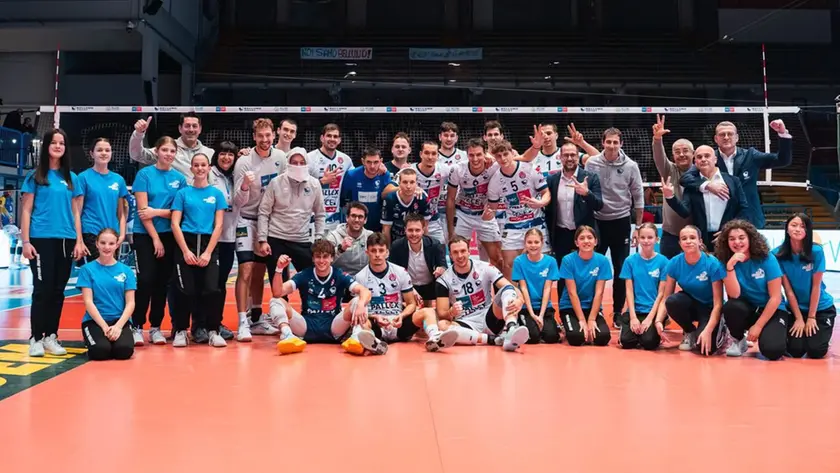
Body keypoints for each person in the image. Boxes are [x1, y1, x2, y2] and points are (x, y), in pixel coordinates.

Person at [21, 128, 87, 357]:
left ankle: (51, 336)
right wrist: (26, 241)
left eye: (62, 143)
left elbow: (76, 213)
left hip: (66, 240)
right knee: (42, 290)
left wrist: (79, 240)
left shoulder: (72, 178)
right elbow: (27, 210)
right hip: (41, 239)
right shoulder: (35, 176)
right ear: (46, 146)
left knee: (58, 291)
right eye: (54, 143)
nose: (58, 146)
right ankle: (36, 338)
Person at [268, 239, 379, 355]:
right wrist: (279, 269)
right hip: (306, 326)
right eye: (318, 256)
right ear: (313, 259)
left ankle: (356, 337)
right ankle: (287, 335)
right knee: (275, 301)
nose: (321, 261)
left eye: (325, 257)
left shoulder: (339, 274)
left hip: (334, 327)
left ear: (331, 258)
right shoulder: (305, 274)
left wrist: (361, 304)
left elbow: (365, 291)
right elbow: (277, 292)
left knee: (358, 300)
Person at [680, 119, 792, 229]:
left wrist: (782, 133)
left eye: (730, 134)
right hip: (720, 222)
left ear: (737, 137)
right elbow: (685, 178)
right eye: (722, 134)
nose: (726, 137)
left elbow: (782, 160)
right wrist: (708, 185)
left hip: (750, 220)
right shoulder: (709, 158)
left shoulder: (751, 156)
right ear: (716, 139)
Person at [232, 118, 287, 341]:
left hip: (269, 222)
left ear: (274, 135)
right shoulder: (244, 162)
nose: (265, 140)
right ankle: (242, 320)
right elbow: (237, 200)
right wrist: (245, 185)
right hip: (246, 219)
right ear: (254, 137)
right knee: (245, 269)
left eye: (268, 135)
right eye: (260, 136)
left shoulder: (281, 158)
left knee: (259, 271)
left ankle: (256, 317)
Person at [355, 233, 458, 352]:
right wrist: (375, 317)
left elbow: (411, 304)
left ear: (387, 253)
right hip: (376, 324)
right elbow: (357, 308)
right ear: (367, 252)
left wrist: (401, 316)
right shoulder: (360, 277)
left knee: (428, 311)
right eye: (373, 251)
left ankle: (435, 338)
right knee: (362, 320)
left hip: (398, 324)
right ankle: (373, 342)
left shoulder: (400, 272)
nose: (377, 255)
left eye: (381, 250)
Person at [130, 136, 187, 347]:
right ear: (157, 151)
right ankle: (137, 326)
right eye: (165, 150)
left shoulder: (179, 179)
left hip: (169, 235)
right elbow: (143, 212)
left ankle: (155, 327)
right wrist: (155, 238)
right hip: (145, 235)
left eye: (172, 151)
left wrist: (157, 211)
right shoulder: (144, 175)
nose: (169, 154)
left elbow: (176, 212)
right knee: (145, 280)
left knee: (162, 283)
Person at [583, 128, 644, 324]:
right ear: (602, 143)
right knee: (593, 267)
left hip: (621, 221)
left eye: (615, 142)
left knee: (620, 268)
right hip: (597, 222)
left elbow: (638, 196)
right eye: (608, 142)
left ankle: (618, 311)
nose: (611, 145)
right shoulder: (592, 163)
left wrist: (639, 226)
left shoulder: (631, 166)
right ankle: (595, 309)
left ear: (621, 144)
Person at [170, 153, 227, 348]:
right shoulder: (183, 194)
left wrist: (208, 253)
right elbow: (175, 223)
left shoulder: (217, 194)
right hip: (187, 243)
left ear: (209, 168)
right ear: (191, 168)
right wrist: (185, 251)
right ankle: (180, 330)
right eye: (196, 165)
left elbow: (218, 225)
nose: (200, 168)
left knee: (211, 289)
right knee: (186, 291)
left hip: (208, 246)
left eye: (203, 165)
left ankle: (213, 330)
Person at [435, 236, 529, 351]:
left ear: (469, 251)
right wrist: (451, 312)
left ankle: (511, 327)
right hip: (466, 324)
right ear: (450, 255)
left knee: (508, 288)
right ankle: (493, 339)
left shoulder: (484, 267)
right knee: (442, 326)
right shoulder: (443, 280)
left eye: (463, 251)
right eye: (455, 252)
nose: (460, 256)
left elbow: (510, 287)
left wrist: (520, 299)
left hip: (489, 318)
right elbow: (441, 313)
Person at [717, 219, 789, 360]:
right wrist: (730, 266)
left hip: (772, 309)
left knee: (772, 351)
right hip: (747, 309)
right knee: (731, 306)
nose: (737, 242)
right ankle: (738, 340)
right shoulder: (725, 262)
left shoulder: (767, 259)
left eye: (741, 237)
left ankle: (778, 332)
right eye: (732, 239)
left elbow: (775, 297)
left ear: (751, 238)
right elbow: (734, 294)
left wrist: (758, 326)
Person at [654, 226, 727, 356]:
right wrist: (659, 321)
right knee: (673, 301)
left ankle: (722, 328)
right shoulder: (674, 263)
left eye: (692, 238)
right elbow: (666, 298)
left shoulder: (712, 263)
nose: (688, 241)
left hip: (710, 308)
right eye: (684, 238)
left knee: (706, 350)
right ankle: (689, 331)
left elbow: (718, 303)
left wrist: (708, 330)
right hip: (691, 304)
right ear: (680, 243)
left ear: (700, 241)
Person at [662, 145, 749, 251]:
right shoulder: (692, 185)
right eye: (699, 157)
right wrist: (670, 196)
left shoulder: (733, 181)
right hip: (701, 241)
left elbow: (743, 208)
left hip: (727, 238)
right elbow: (684, 212)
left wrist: (729, 229)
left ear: (715, 159)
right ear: (695, 162)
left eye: (707, 156)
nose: (703, 159)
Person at [485, 140, 550, 279]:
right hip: (512, 225)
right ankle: (513, 298)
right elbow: (493, 209)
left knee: (540, 265)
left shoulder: (528, 169)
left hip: (535, 222)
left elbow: (546, 193)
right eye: (499, 156)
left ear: (512, 153)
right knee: (509, 265)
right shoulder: (495, 181)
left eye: (505, 154)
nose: (503, 159)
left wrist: (540, 203)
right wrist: (488, 215)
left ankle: (541, 299)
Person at [774, 213, 835, 359]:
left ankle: (823, 334)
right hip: (796, 308)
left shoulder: (816, 252)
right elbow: (787, 290)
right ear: (787, 229)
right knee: (795, 351)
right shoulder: (777, 254)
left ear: (808, 231)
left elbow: (816, 287)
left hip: (820, 308)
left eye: (803, 226)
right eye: (794, 225)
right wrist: (799, 318)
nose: (798, 229)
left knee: (816, 351)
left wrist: (811, 317)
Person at [258, 147, 324, 278]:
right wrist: (262, 240)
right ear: (288, 163)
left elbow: (320, 214)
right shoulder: (276, 182)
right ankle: (280, 300)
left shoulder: (315, 184)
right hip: (276, 238)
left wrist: (319, 238)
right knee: (278, 284)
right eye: (294, 162)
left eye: (301, 162)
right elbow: (264, 212)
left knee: (310, 281)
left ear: (307, 164)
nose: (298, 166)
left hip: (302, 239)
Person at [77, 228, 136, 361]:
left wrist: (118, 327)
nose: (106, 247)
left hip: (119, 320)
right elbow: (88, 302)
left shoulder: (126, 271)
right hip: (95, 321)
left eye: (111, 243)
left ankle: (116, 340)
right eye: (103, 243)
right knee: (100, 352)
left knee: (124, 351)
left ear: (116, 245)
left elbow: (130, 302)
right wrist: (104, 327)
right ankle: (94, 340)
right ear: (97, 244)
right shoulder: (87, 270)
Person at [445, 138, 504, 269]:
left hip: (485, 215)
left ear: (485, 154)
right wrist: (450, 230)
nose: (475, 159)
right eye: (471, 155)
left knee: (498, 258)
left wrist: (493, 157)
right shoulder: (457, 169)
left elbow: (514, 158)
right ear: (467, 155)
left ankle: (501, 289)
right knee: (458, 257)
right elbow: (450, 199)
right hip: (463, 214)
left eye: (479, 154)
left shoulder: (494, 166)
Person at [545, 142, 602, 271]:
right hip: (561, 235)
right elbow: (548, 209)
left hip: (584, 234)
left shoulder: (590, 178)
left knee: (586, 274)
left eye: (573, 155)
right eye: (566, 155)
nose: (569, 158)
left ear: (578, 156)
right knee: (562, 276)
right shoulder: (552, 180)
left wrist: (587, 194)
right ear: (560, 157)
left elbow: (599, 205)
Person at [557, 225, 612, 347]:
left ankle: (590, 320)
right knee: (577, 338)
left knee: (602, 338)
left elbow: (599, 293)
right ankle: (566, 326)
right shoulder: (568, 260)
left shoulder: (602, 261)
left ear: (595, 241)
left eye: (589, 238)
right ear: (576, 243)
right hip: (570, 307)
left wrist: (591, 319)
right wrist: (582, 320)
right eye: (582, 238)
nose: (586, 241)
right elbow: (572, 293)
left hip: (591, 307)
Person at [618, 222, 668, 350]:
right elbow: (629, 291)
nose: (646, 241)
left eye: (650, 237)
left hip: (652, 311)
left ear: (657, 239)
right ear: (638, 239)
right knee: (627, 342)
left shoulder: (663, 262)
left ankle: (659, 323)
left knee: (649, 343)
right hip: (636, 310)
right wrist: (633, 317)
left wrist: (650, 319)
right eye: (643, 237)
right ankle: (627, 322)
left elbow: (661, 293)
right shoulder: (630, 261)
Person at [77, 137, 128, 262]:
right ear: (91, 153)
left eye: (107, 150)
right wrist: (79, 239)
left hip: (112, 235)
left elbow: (121, 213)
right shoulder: (83, 178)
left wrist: (121, 235)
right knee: (96, 273)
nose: (104, 153)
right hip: (91, 233)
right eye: (99, 150)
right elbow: (77, 212)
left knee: (110, 273)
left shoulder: (118, 180)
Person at [209, 141, 239, 341]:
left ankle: (215, 323)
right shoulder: (209, 173)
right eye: (223, 153)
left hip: (229, 237)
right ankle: (200, 324)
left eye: (230, 154)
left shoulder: (236, 175)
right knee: (207, 284)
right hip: (209, 237)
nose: (226, 157)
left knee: (220, 284)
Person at [651, 115, 693, 258]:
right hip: (671, 235)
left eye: (685, 150)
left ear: (693, 154)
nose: (681, 154)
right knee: (668, 275)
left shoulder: (701, 172)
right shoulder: (669, 170)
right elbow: (659, 157)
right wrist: (657, 139)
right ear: (673, 156)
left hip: (694, 233)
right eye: (677, 152)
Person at [130, 112, 214, 181]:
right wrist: (138, 133)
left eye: (194, 126)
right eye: (187, 126)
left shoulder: (210, 153)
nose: (191, 130)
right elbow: (137, 155)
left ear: (200, 129)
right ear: (180, 128)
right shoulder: (168, 149)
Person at [512, 229, 561, 344]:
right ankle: (520, 322)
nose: (533, 245)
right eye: (529, 242)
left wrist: (541, 315)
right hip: (526, 307)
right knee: (532, 338)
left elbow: (547, 289)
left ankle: (552, 325)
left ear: (542, 243)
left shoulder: (551, 261)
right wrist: (533, 314)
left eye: (536, 242)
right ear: (525, 243)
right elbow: (523, 288)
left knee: (552, 337)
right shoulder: (519, 261)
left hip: (544, 307)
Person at [389, 213, 447, 307]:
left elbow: (444, 266)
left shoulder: (435, 245)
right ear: (405, 230)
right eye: (410, 230)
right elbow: (392, 272)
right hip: (406, 288)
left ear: (423, 230)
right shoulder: (396, 246)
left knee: (428, 313)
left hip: (429, 287)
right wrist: (409, 289)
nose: (414, 234)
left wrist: (441, 269)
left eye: (417, 230)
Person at [339, 148, 397, 233]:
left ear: (381, 161)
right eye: (369, 162)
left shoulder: (385, 175)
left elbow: (388, 197)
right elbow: (343, 201)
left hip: (378, 227)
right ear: (363, 161)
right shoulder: (352, 175)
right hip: (356, 227)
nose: (372, 166)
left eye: (376, 162)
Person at [307, 124, 351, 232]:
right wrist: (322, 182)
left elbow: (356, 178)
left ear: (339, 140)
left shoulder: (345, 160)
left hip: (335, 218)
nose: (332, 139)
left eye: (335, 137)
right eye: (329, 136)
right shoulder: (310, 158)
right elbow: (299, 186)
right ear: (322, 138)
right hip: (312, 217)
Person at [412, 140, 451, 243]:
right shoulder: (410, 171)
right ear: (421, 154)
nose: (430, 157)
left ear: (438, 156)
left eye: (434, 154)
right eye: (427, 153)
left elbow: (463, 170)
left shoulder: (443, 169)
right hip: (412, 222)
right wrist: (411, 187)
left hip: (433, 220)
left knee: (440, 250)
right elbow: (389, 188)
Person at [381, 168, 431, 246]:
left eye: (412, 182)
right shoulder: (390, 199)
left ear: (416, 184)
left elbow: (425, 227)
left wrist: (426, 248)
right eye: (405, 182)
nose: (408, 186)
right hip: (396, 241)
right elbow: (386, 229)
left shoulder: (422, 198)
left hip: (416, 240)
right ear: (399, 183)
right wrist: (389, 251)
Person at [324, 201, 373, 277]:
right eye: (353, 216)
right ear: (347, 218)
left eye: (360, 217)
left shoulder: (370, 237)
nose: (356, 220)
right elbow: (323, 262)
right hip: (339, 279)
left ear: (365, 220)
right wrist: (341, 249)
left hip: (363, 279)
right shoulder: (333, 236)